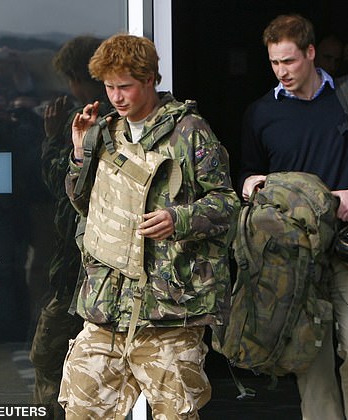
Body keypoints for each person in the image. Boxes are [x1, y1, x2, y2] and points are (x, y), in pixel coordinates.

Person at [57, 33, 240, 419]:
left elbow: (226, 203)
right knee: (80, 408)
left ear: (150, 80)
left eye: (125, 86)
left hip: (168, 311)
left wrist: (178, 218)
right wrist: (79, 151)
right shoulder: (105, 133)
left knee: (176, 412)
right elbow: (84, 204)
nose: (116, 97)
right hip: (107, 307)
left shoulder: (189, 131)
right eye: (109, 87)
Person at [240, 14, 348, 420]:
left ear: (311, 53)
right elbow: (246, 173)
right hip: (293, 253)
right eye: (274, 63)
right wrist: (250, 185)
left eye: (289, 61)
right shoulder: (260, 113)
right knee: (309, 358)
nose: (282, 72)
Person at [28, 35, 106, 420]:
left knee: (50, 351)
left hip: (86, 264)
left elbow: (64, 180)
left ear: (79, 76)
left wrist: (51, 139)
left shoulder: (96, 121)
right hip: (77, 262)